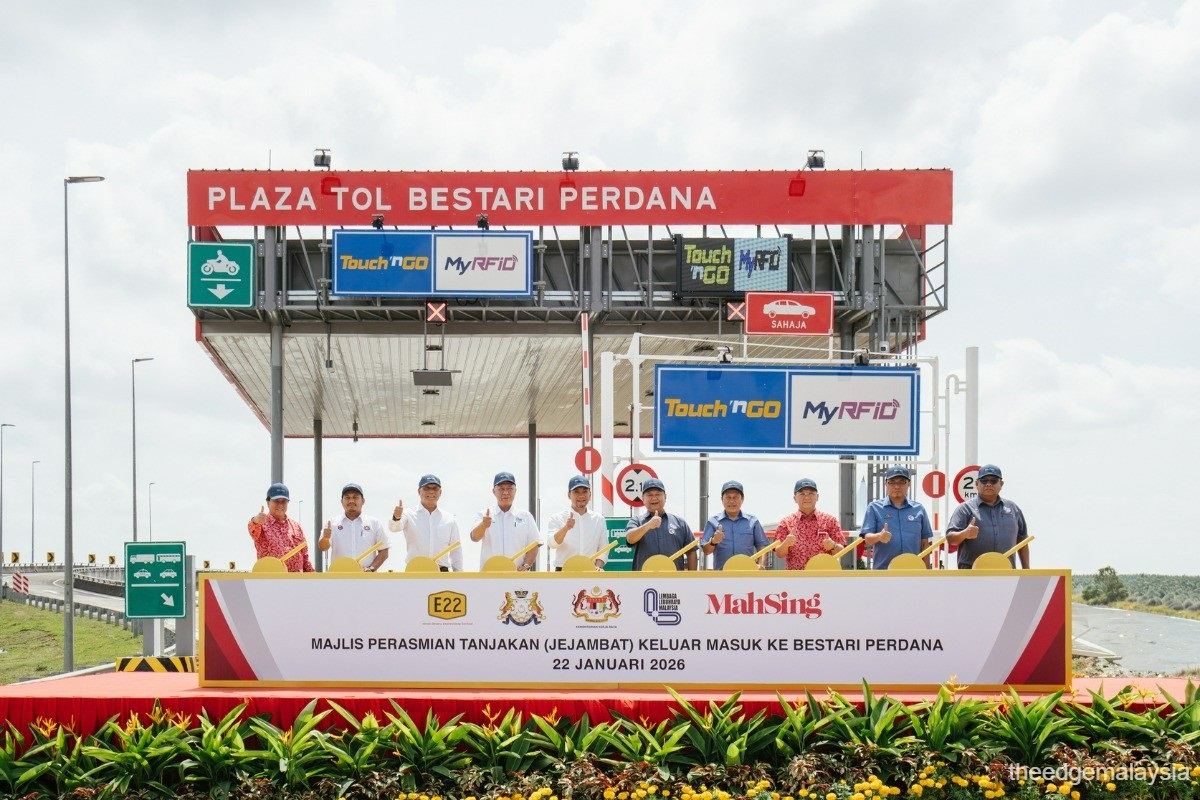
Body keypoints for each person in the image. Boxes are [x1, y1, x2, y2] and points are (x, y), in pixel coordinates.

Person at [946, 464, 1030, 568]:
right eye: (984, 481)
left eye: (993, 480)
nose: (988, 484)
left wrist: (1026, 571)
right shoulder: (965, 509)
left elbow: (1023, 541)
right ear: (977, 483)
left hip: (1006, 575)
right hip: (971, 576)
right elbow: (950, 539)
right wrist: (964, 534)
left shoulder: (1013, 509)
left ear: (1001, 484)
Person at [860, 466, 933, 569]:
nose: (897, 486)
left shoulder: (919, 509)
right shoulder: (874, 508)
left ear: (909, 484)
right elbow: (867, 539)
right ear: (886, 484)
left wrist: (926, 572)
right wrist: (879, 537)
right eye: (892, 482)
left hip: (914, 572)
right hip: (884, 572)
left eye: (902, 482)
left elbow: (925, 543)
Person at [389, 474, 464, 572]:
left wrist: (458, 573)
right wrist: (396, 517)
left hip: (442, 572)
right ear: (419, 491)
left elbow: (456, 549)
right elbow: (394, 528)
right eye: (426, 488)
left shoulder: (449, 518)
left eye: (435, 488)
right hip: (415, 571)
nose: (431, 491)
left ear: (440, 492)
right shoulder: (408, 514)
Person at [470, 471, 540, 571]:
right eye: (501, 489)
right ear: (494, 491)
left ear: (515, 491)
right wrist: (484, 524)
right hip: (489, 575)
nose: (506, 492)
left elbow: (534, 544)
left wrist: (526, 565)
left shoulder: (526, 516)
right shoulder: (484, 514)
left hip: (517, 575)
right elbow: (474, 537)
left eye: (509, 489)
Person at [625, 478, 697, 571]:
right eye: (649, 495)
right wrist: (648, 525)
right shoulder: (636, 521)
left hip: (674, 580)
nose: (654, 498)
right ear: (643, 498)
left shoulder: (680, 523)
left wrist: (691, 579)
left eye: (658, 494)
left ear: (665, 497)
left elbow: (691, 551)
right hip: (644, 582)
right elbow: (630, 539)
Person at [774, 478, 847, 570]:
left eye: (811, 493)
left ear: (817, 497)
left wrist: (833, 546)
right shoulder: (786, 522)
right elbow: (779, 554)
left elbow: (842, 551)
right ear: (795, 498)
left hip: (823, 577)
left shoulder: (830, 520)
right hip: (796, 579)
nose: (807, 497)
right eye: (802, 494)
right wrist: (786, 543)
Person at [318, 483, 390, 572]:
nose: (351, 501)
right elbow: (323, 547)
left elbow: (384, 550)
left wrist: (371, 569)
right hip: (338, 577)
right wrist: (325, 538)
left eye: (355, 497)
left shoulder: (374, 523)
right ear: (341, 501)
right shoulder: (332, 523)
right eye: (347, 498)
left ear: (363, 501)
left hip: (365, 579)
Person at [544, 475, 609, 571]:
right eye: (576, 492)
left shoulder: (599, 519)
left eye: (584, 492)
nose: (581, 496)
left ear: (590, 495)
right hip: (564, 571)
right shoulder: (557, 518)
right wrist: (566, 528)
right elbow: (552, 544)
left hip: (590, 571)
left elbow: (604, 548)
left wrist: (598, 567)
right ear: (569, 495)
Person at [700, 480, 770, 569]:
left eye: (735, 497)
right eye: (728, 497)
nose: (732, 501)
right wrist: (713, 541)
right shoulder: (712, 522)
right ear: (722, 499)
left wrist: (762, 565)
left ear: (742, 499)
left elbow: (762, 547)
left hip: (747, 573)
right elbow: (706, 551)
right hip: (722, 576)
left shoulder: (753, 521)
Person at [247, 483, 314, 572]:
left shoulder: (296, 526)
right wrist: (255, 520)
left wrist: (313, 578)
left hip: (297, 582)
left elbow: (305, 557)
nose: (280, 505)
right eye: (276, 501)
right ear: (268, 502)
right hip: (271, 580)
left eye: (283, 501)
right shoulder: (261, 523)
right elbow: (253, 529)